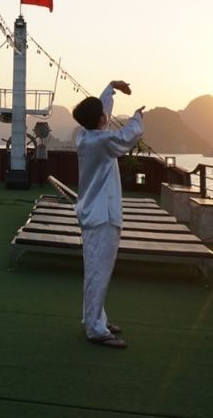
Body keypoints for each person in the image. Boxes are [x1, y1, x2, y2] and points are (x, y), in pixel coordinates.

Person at [71, 79, 144, 350]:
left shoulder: (86, 137)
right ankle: (95, 329)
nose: (106, 115)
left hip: (97, 214)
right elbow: (126, 136)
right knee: (98, 272)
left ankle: (96, 318)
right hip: (101, 217)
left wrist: (111, 88)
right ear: (100, 119)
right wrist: (137, 117)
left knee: (97, 270)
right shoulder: (101, 142)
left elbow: (100, 114)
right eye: (103, 113)